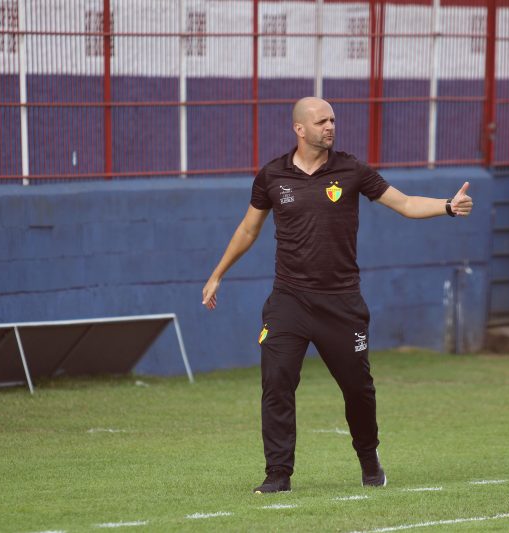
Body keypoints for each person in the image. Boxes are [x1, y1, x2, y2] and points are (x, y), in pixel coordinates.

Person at [201, 96, 473, 493]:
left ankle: (368, 458)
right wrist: (217, 274)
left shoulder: (352, 170)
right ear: (299, 129)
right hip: (288, 301)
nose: (330, 126)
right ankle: (278, 474)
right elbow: (247, 230)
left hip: (341, 304)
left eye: (333, 120)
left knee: (358, 390)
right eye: (321, 121)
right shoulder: (272, 176)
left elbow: (406, 203)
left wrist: (448, 206)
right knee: (276, 381)